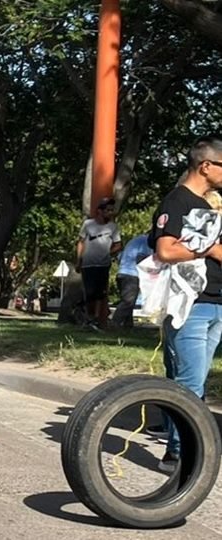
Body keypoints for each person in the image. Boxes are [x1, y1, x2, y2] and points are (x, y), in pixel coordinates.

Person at [148, 135, 222, 473]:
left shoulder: (211, 205)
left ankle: (185, 449)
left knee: (196, 380)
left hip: (216, 303)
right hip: (190, 304)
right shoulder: (177, 201)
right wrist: (209, 249)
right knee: (190, 382)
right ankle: (179, 456)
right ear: (206, 166)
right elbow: (165, 250)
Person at [76, 197, 122, 328]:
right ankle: (87, 317)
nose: (110, 213)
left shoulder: (113, 227)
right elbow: (80, 242)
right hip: (88, 263)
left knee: (100, 293)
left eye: (112, 210)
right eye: (108, 210)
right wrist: (78, 260)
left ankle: (96, 318)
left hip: (103, 264)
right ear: (100, 211)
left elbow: (118, 245)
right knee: (89, 292)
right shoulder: (88, 224)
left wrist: (108, 252)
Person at [110, 233, 152, 328]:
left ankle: (128, 326)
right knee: (128, 302)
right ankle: (114, 324)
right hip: (131, 274)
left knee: (129, 302)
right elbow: (141, 259)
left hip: (122, 273)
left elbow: (120, 256)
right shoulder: (146, 242)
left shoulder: (136, 240)